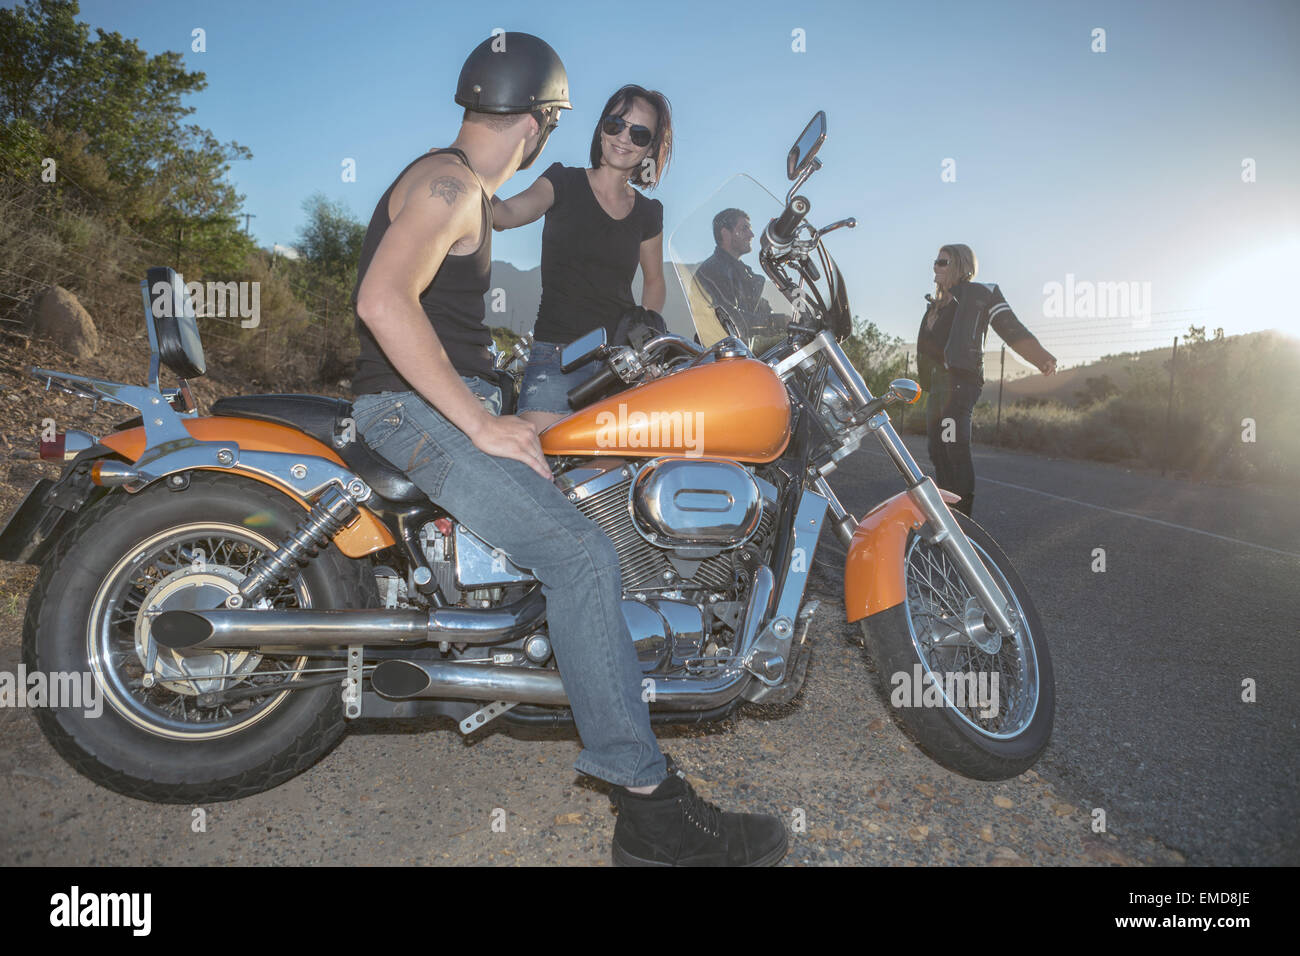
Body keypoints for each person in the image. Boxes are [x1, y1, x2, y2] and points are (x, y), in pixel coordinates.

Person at [349, 34, 786, 867]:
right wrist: (482, 424)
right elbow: (381, 301)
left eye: (638, 132)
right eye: (605, 123)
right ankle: (651, 813)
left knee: (581, 517)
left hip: (446, 401)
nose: (621, 137)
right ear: (545, 124)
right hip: (416, 411)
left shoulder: (461, 183)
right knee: (584, 557)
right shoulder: (451, 185)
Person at [491, 84, 673, 430]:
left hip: (620, 364)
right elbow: (506, 215)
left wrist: (647, 337)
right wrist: (464, 174)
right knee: (543, 471)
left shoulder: (649, 212)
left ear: (650, 147)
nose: (623, 138)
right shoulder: (563, 180)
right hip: (555, 358)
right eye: (615, 124)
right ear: (601, 127)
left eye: (639, 134)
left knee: (609, 477)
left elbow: (654, 280)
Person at [915, 244, 1057, 518]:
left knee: (953, 445)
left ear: (960, 266)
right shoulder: (937, 306)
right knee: (937, 447)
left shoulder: (980, 294)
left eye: (942, 262)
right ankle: (947, 513)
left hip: (960, 381)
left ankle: (963, 519)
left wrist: (1041, 358)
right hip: (938, 384)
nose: (935, 266)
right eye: (935, 261)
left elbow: (1010, 327)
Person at [691, 208, 782, 345]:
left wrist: (787, 322)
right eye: (744, 228)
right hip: (725, 357)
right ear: (725, 234)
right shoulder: (712, 271)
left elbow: (760, 309)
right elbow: (730, 318)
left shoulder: (743, 273)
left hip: (742, 353)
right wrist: (775, 321)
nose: (751, 234)